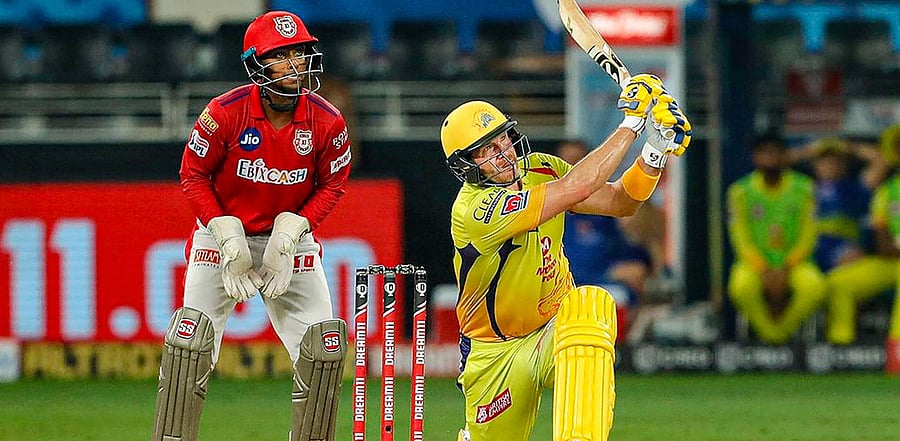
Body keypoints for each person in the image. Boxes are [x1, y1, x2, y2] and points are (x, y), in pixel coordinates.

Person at [441, 74, 691, 441]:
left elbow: (619, 202)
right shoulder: (473, 211)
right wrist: (632, 123)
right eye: (486, 151)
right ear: (467, 165)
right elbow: (577, 187)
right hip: (494, 351)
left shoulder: (540, 168)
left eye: (502, 140)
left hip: (554, 327)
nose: (503, 153)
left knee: (591, 306)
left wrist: (655, 149)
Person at [151, 11, 352, 441]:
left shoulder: (328, 120)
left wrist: (296, 227)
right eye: (282, 55)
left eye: (299, 52)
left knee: (325, 351)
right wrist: (224, 233)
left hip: (290, 239)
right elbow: (193, 175)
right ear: (257, 64)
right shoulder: (223, 113)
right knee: (189, 346)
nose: (296, 64)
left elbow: (333, 183)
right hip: (222, 236)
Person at [726, 133, 827, 345]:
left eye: (775, 153)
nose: (770, 159)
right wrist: (763, 268)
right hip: (755, 264)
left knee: (814, 286)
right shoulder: (741, 191)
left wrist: (787, 267)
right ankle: (770, 334)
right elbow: (740, 237)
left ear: (785, 156)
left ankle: (780, 333)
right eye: (764, 153)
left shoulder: (805, 188)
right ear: (755, 157)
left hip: (796, 263)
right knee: (741, 286)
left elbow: (809, 233)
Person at [825, 124, 900, 354]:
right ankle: (841, 350)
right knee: (840, 282)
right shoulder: (886, 191)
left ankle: (896, 350)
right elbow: (882, 241)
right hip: (890, 260)